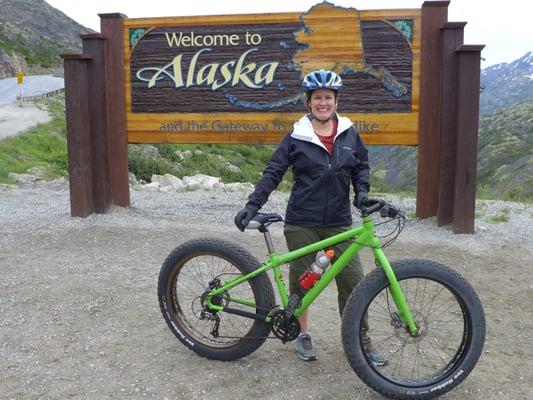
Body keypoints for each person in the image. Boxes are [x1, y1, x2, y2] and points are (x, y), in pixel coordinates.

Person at [234, 69, 385, 365]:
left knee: (354, 284)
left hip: (340, 222)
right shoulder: (297, 135)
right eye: (318, 98)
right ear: (309, 102)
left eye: (328, 97)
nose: (323, 103)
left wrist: (362, 194)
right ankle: (302, 335)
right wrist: (253, 204)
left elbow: (361, 167)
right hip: (302, 222)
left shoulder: (349, 133)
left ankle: (360, 341)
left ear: (336, 100)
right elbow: (273, 172)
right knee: (305, 284)